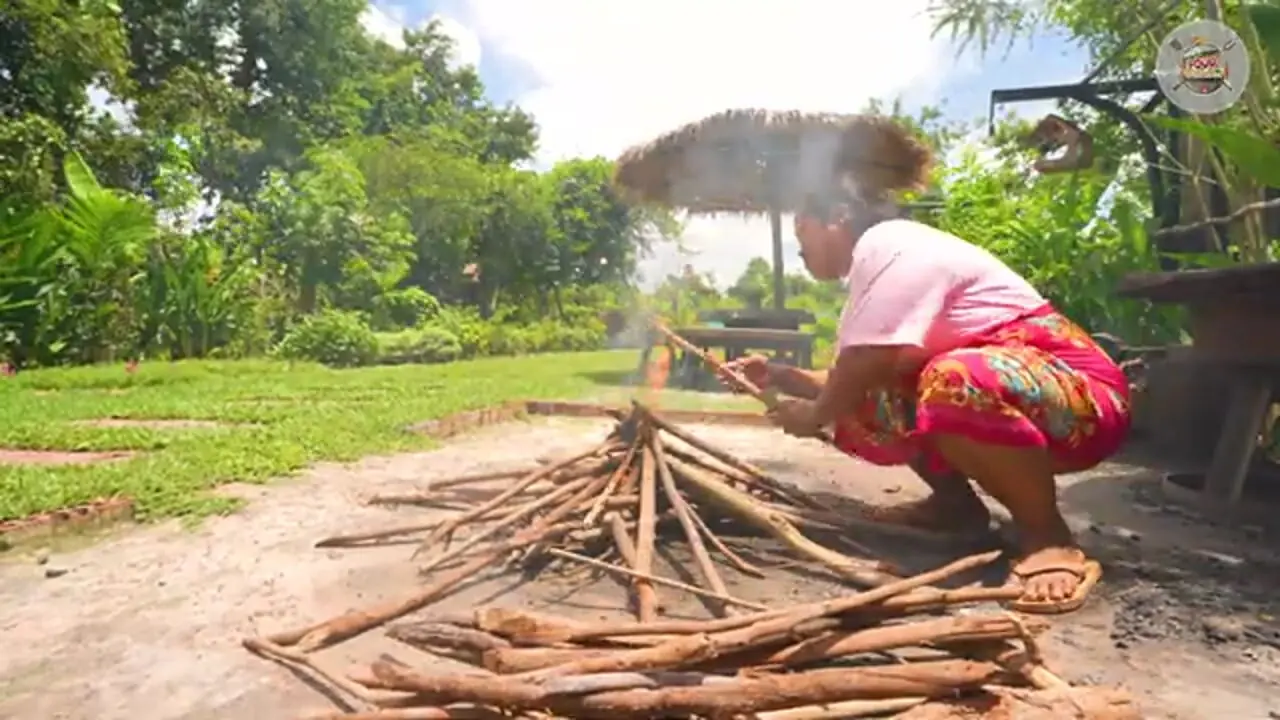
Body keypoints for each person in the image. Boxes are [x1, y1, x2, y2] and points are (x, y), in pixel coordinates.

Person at [727, 116, 1130, 615]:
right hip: (1027, 390)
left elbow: (867, 361)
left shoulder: (892, 243)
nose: (801, 250)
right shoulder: (876, 268)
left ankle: (1046, 534)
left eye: (801, 232)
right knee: (893, 388)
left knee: (951, 381)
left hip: (1086, 401)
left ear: (833, 218)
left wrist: (814, 416)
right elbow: (865, 373)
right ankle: (955, 509)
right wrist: (785, 377)